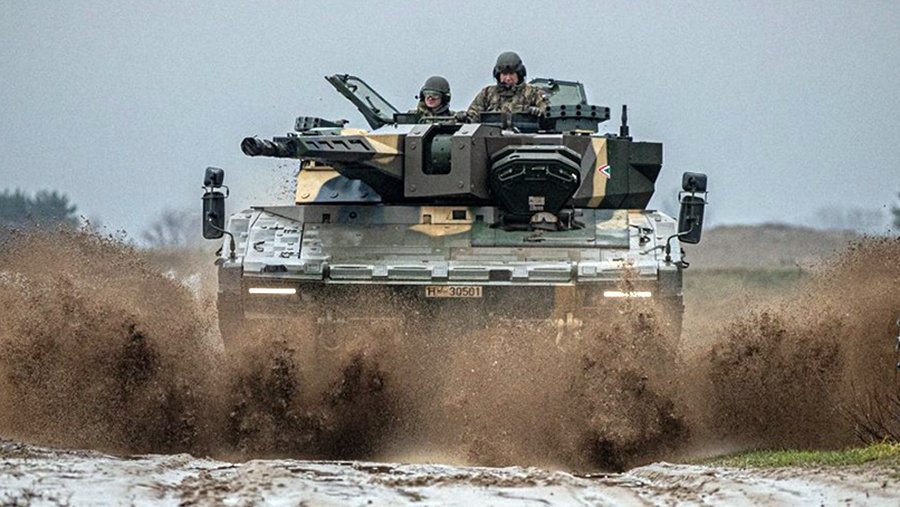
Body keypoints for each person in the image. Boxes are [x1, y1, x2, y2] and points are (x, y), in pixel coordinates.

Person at [466, 51, 549, 122]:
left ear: (519, 74)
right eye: (504, 74)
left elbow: (547, 112)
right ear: (498, 75)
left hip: (525, 135)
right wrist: (464, 117)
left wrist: (538, 113)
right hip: (490, 135)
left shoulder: (533, 93)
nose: (508, 78)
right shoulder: (487, 94)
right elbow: (473, 115)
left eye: (511, 74)